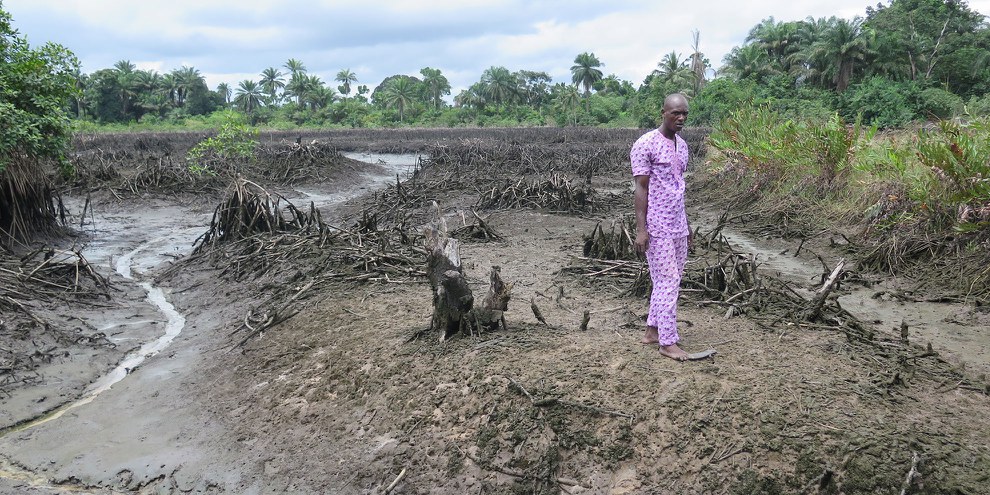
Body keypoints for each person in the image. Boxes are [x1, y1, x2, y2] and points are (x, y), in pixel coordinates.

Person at [630, 93, 692, 361]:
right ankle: (668, 342)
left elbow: (678, 189)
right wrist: (641, 229)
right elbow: (640, 189)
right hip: (657, 226)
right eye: (675, 113)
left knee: (667, 281)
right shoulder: (646, 144)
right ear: (663, 113)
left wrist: (687, 228)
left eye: (684, 114)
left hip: (678, 226)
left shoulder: (683, 146)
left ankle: (652, 331)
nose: (680, 118)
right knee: (668, 282)